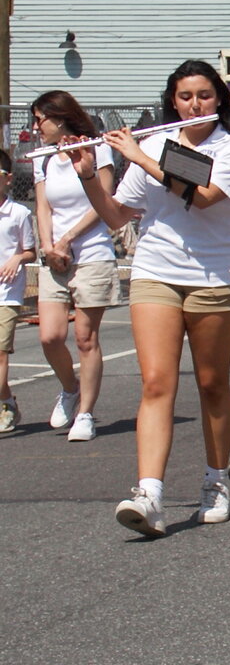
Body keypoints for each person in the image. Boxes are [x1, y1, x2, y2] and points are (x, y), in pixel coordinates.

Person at [71, 61, 230, 537]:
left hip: (216, 277)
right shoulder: (154, 144)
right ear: (172, 101)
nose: (194, 104)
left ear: (218, 99)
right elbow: (118, 217)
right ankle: (149, 492)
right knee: (156, 382)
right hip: (156, 272)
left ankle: (217, 480)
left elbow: (202, 195)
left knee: (213, 382)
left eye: (202, 95)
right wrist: (90, 176)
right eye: (184, 96)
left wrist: (139, 156)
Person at [30, 91, 119, 442]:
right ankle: (70, 388)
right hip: (55, 256)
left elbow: (105, 200)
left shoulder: (97, 147)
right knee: (50, 335)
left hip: (92, 252)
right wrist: (49, 245)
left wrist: (68, 239)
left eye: (41, 119)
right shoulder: (43, 158)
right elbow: (43, 207)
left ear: (61, 117)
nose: (36, 126)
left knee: (85, 337)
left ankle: (85, 413)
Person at [0, 150, 36, 435]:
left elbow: (30, 250)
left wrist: (17, 258)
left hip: (7, 294)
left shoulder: (19, 213)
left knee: (0, 355)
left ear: (7, 179)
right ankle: (7, 401)